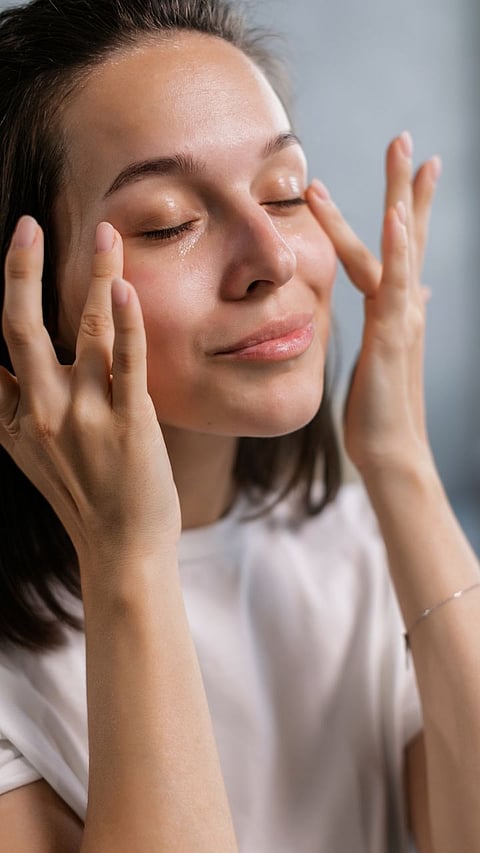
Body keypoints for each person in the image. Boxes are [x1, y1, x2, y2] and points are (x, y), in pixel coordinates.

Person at [0, 0, 478, 850]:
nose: (273, 257)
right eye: (169, 223)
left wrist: (398, 462)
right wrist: (132, 563)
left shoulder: (351, 548)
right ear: (27, 321)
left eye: (284, 192)